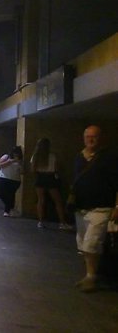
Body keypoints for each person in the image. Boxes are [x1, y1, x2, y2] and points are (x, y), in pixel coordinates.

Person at [70, 125, 118, 292]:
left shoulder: (108, 158)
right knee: (83, 243)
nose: (90, 140)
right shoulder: (79, 157)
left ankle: (91, 276)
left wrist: (117, 206)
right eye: (88, 136)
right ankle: (91, 273)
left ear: (100, 138)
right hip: (81, 208)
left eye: (94, 137)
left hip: (101, 207)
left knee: (92, 242)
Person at [30, 138, 72, 230]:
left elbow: (32, 170)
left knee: (41, 200)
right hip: (50, 178)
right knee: (58, 201)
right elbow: (56, 169)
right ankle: (62, 222)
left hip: (40, 178)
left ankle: (40, 222)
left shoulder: (35, 157)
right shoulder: (53, 156)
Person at [0, 146, 23, 217]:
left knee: (11, 195)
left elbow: (22, 171)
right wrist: (10, 161)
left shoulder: (20, 160)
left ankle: (7, 211)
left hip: (15, 180)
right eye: (14, 153)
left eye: (17, 153)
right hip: (3, 177)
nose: (16, 155)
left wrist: (20, 164)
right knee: (0, 192)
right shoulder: (6, 157)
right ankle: (10, 206)